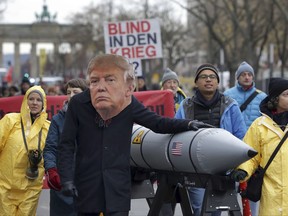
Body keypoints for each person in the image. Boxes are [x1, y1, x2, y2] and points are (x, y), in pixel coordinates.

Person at [57, 54, 212, 216]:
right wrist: (66, 178)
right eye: (97, 79)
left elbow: (157, 123)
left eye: (109, 79)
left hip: (117, 186)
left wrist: (187, 124)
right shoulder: (78, 104)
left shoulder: (127, 102)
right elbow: (66, 144)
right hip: (87, 184)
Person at [175, 63, 247, 216]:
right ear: (196, 82)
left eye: (212, 77)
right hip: (195, 169)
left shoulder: (230, 105)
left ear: (217, 82)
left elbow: (241, 137)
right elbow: (176, 137)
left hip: (223, 170)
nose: (208, 80)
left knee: (217, 211)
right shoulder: (185, 106)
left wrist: (238, 167)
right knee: (200, 210)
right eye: (203, 77)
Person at [231, 77, 288, 215]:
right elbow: (250, 155)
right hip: (271, 198)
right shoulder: (260, 125)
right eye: (286, 95)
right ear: (275, 99)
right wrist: (243, 170)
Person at [224, 61, 267, 216]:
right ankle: (234, 212)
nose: (247, 77)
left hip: (254, 148)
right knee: (233, 184)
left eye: (249, 74)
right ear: (237, 77)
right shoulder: (228, 95)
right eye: (243, 74)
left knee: (253, 185)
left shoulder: (262, 97)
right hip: (233, 145)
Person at [0, 85, 50, 215]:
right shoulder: (10, 120)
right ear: (25, 101)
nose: (34, 103)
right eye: (31, 99)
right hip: (5, 185)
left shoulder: (48, 128)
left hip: (31, 186)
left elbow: (53, 153)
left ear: (43, 103)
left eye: (38, 100)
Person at [43, 78, 89, 216]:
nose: (71, 95)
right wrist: (51, 169)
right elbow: (50, 148)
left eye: (76, 91)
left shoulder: (95, 117)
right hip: (63, 182)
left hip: (88, 181)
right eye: (68, 92)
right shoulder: (58, 119)